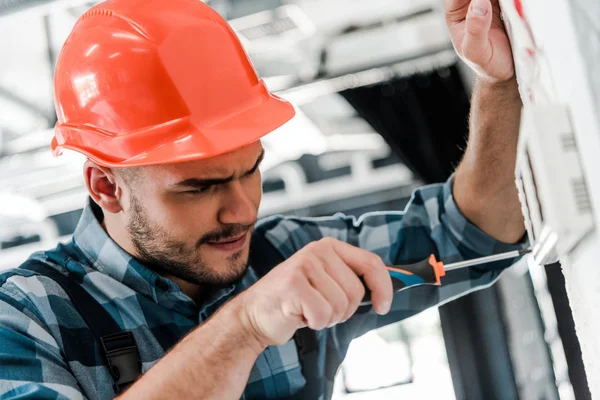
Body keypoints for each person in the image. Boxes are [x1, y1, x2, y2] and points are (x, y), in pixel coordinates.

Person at [0, 0, 526, 398]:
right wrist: (246, 326)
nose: (241, 211)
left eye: (250, 170)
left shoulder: (285, 257)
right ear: (106, 187)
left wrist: (497, 81)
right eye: (199, 187)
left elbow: (475, 233)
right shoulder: (26, 317)